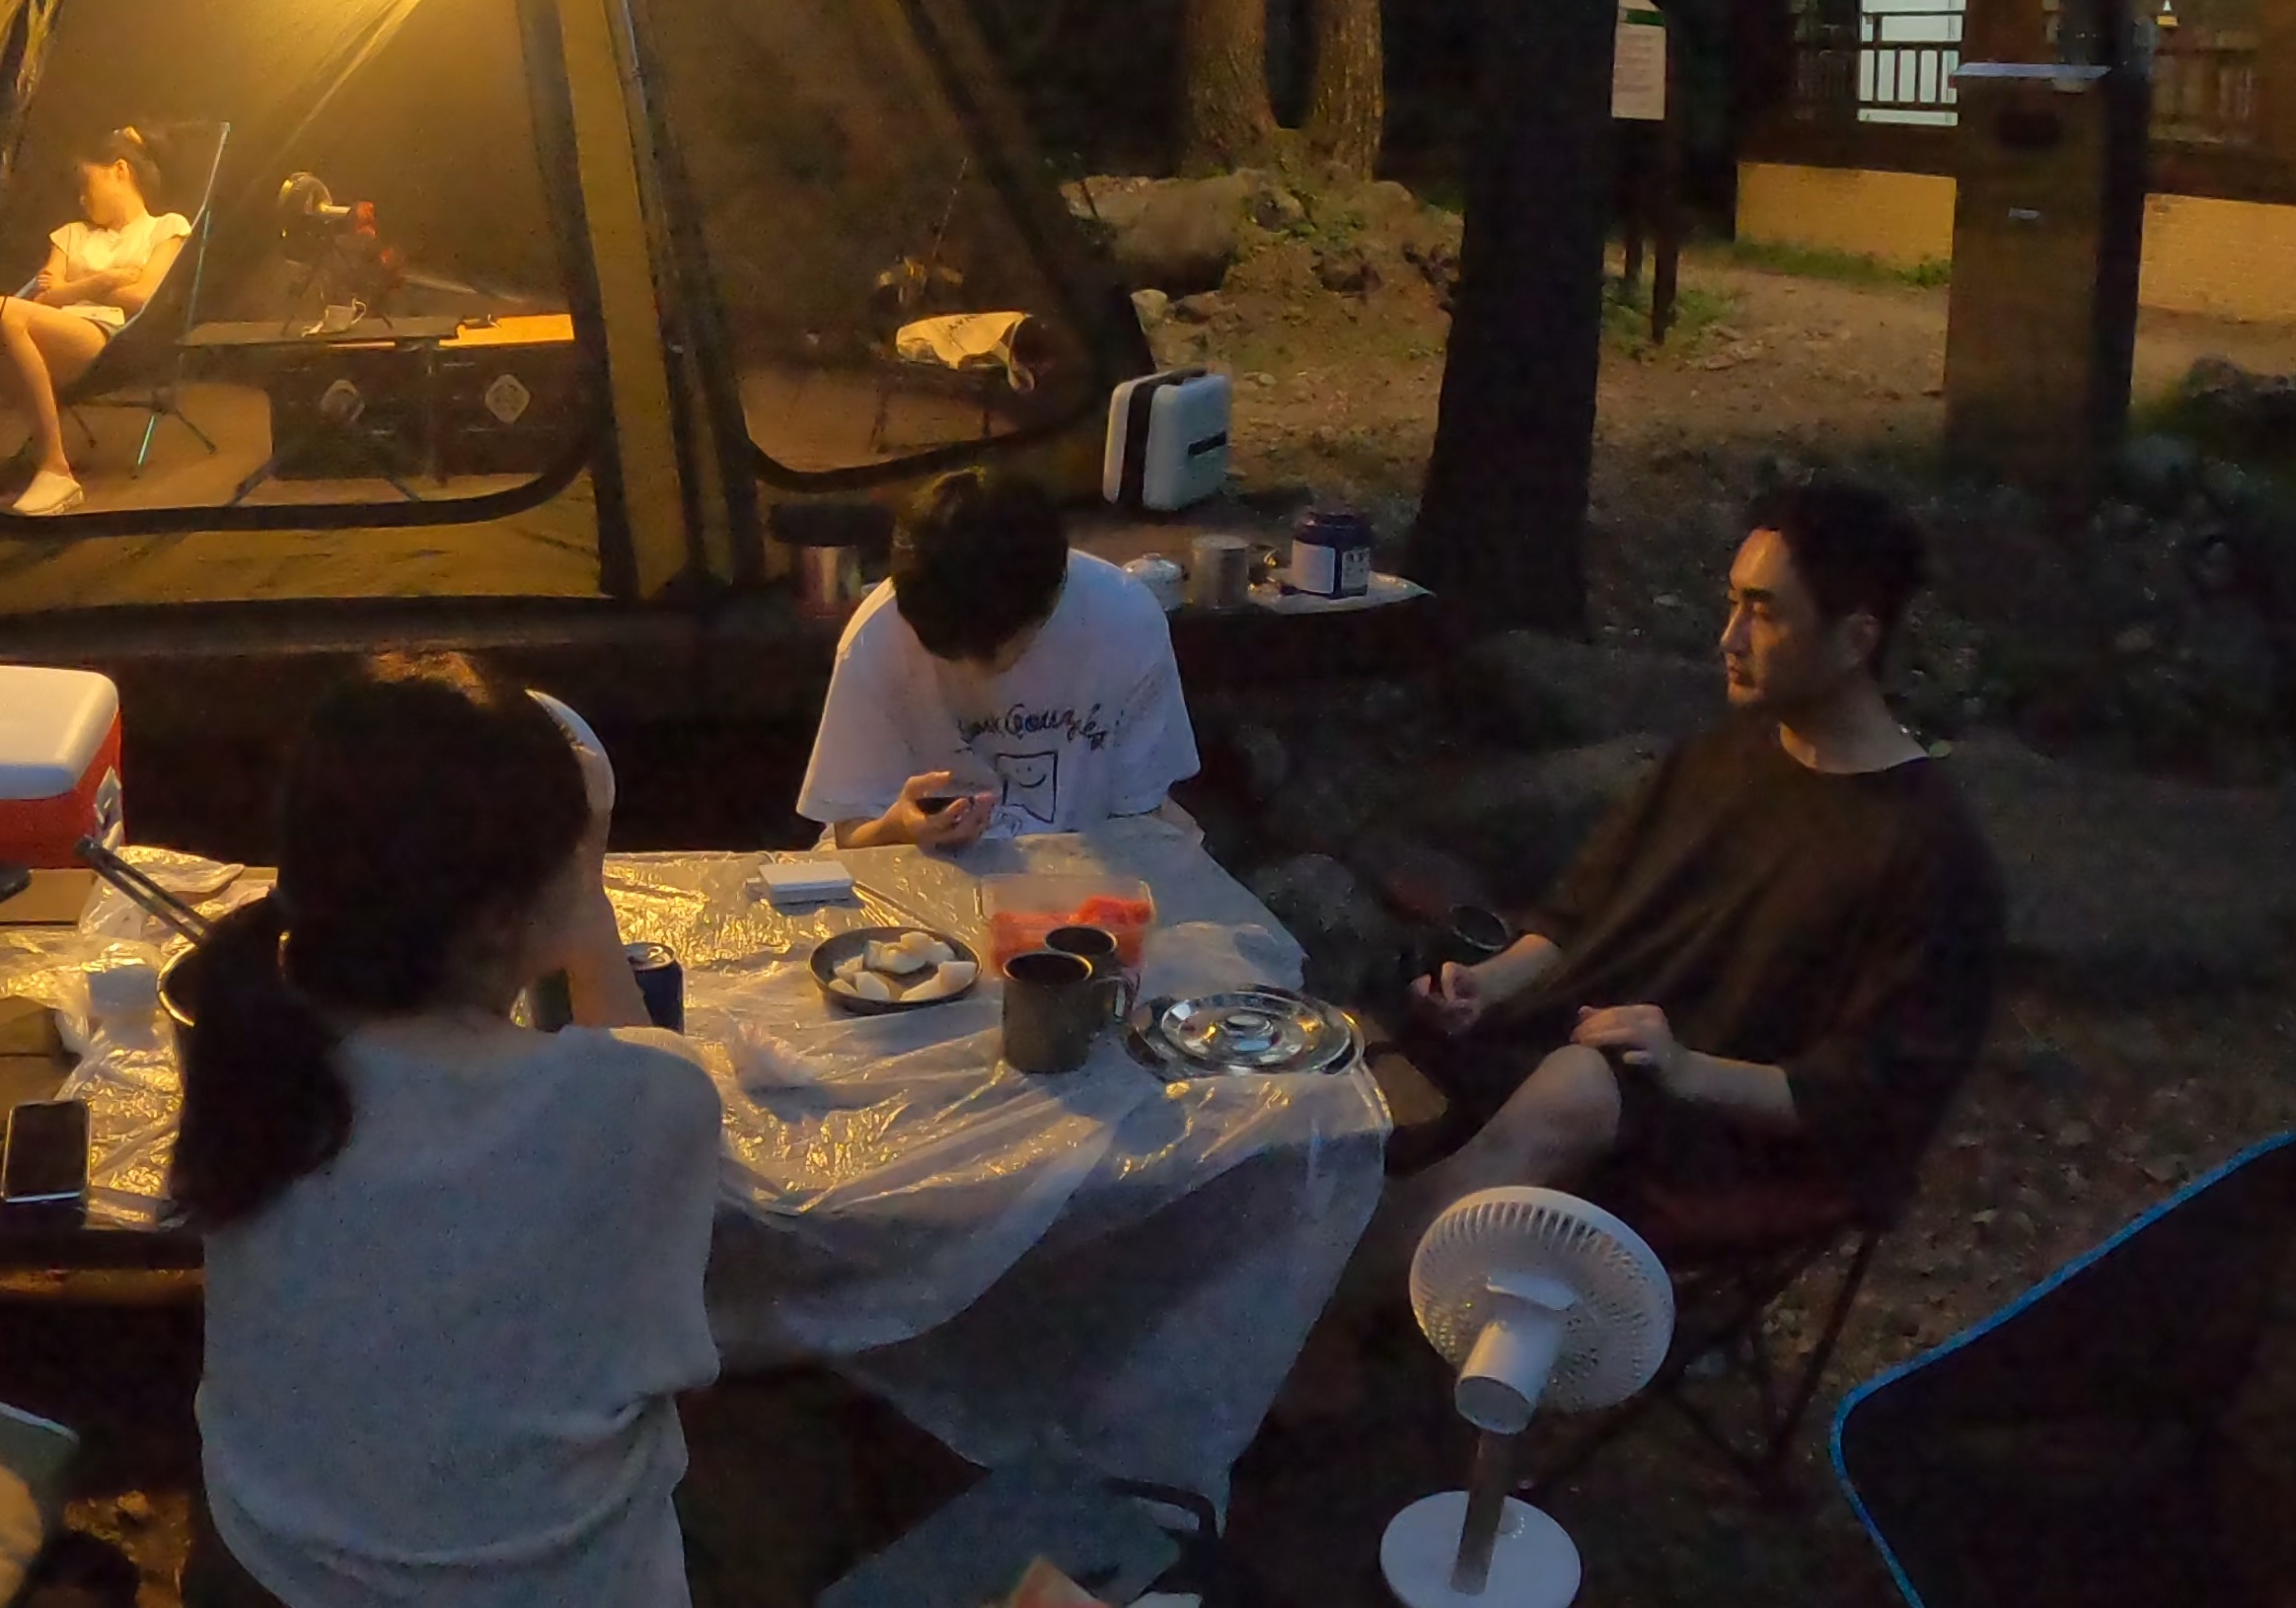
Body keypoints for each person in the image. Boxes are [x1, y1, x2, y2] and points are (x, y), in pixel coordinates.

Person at [1351, 477, 2005, 1297]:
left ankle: (1308, 1321)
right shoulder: (1721, 758)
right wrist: (1488, 984)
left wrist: (1688, 1068)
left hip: (1736, 1133)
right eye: (1732, 603)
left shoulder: (1927, 852)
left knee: (1579, 1085)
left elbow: (1869, 1095)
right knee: (1361, 1037)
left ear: (1854, 639)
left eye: (1764, 613)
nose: (1730, 637)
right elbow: (1583, 910)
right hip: (1591, 1046)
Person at [178, 654, 720, 1608]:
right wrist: (590, 913)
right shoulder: (644, 1099)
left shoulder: (246, 1054)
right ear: (513, 913)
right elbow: (684, 1348)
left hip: (275, 1570)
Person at [797, 466, 1200, 847]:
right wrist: (899, 829)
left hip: (1085, 865)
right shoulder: (877, 635)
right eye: (951, 652)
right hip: (923, 869)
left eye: (991, 649)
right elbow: (850, 832)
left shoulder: (1126, 621)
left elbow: (1140, 815)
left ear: (1049, 602)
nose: (973, 669)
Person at [0, 126, 189, 516]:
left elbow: (143, 297)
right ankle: (46, 458)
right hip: (53, 329)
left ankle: (55, 467)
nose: (82, 199)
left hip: (108, 338)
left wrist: (69, 289)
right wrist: (101, 282)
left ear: (119, 171)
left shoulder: (165, 227)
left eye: (86, 184)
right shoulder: (71, 234)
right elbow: (43, 298)